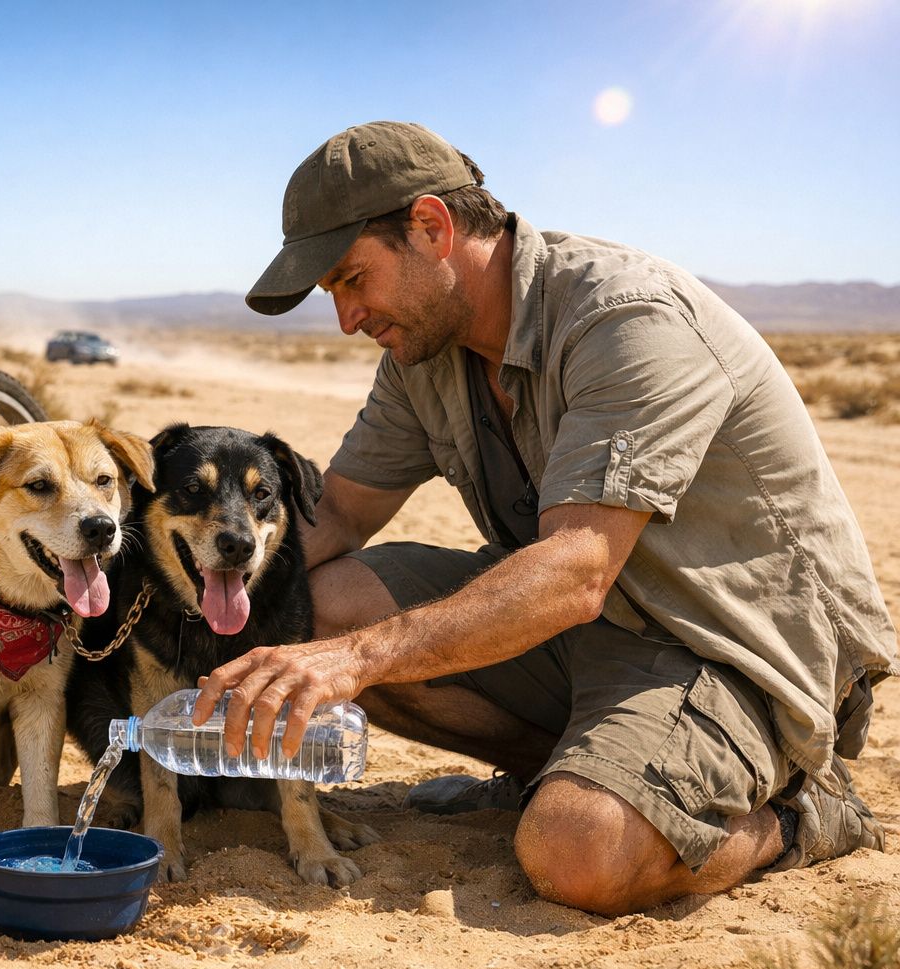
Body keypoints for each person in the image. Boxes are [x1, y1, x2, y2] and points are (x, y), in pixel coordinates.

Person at [194, 121, 895, 916]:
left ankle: (803, 819)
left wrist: (353, 662)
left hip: (730, 651)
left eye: (354, 280)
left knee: (576, 852)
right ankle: (556, 772)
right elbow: (341, 513)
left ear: (432, 227)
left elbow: (577, 569)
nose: (348, 319)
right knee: (316, 603)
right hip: (586, 635)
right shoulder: (423, 353)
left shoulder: (624, 320)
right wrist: (183, 588)